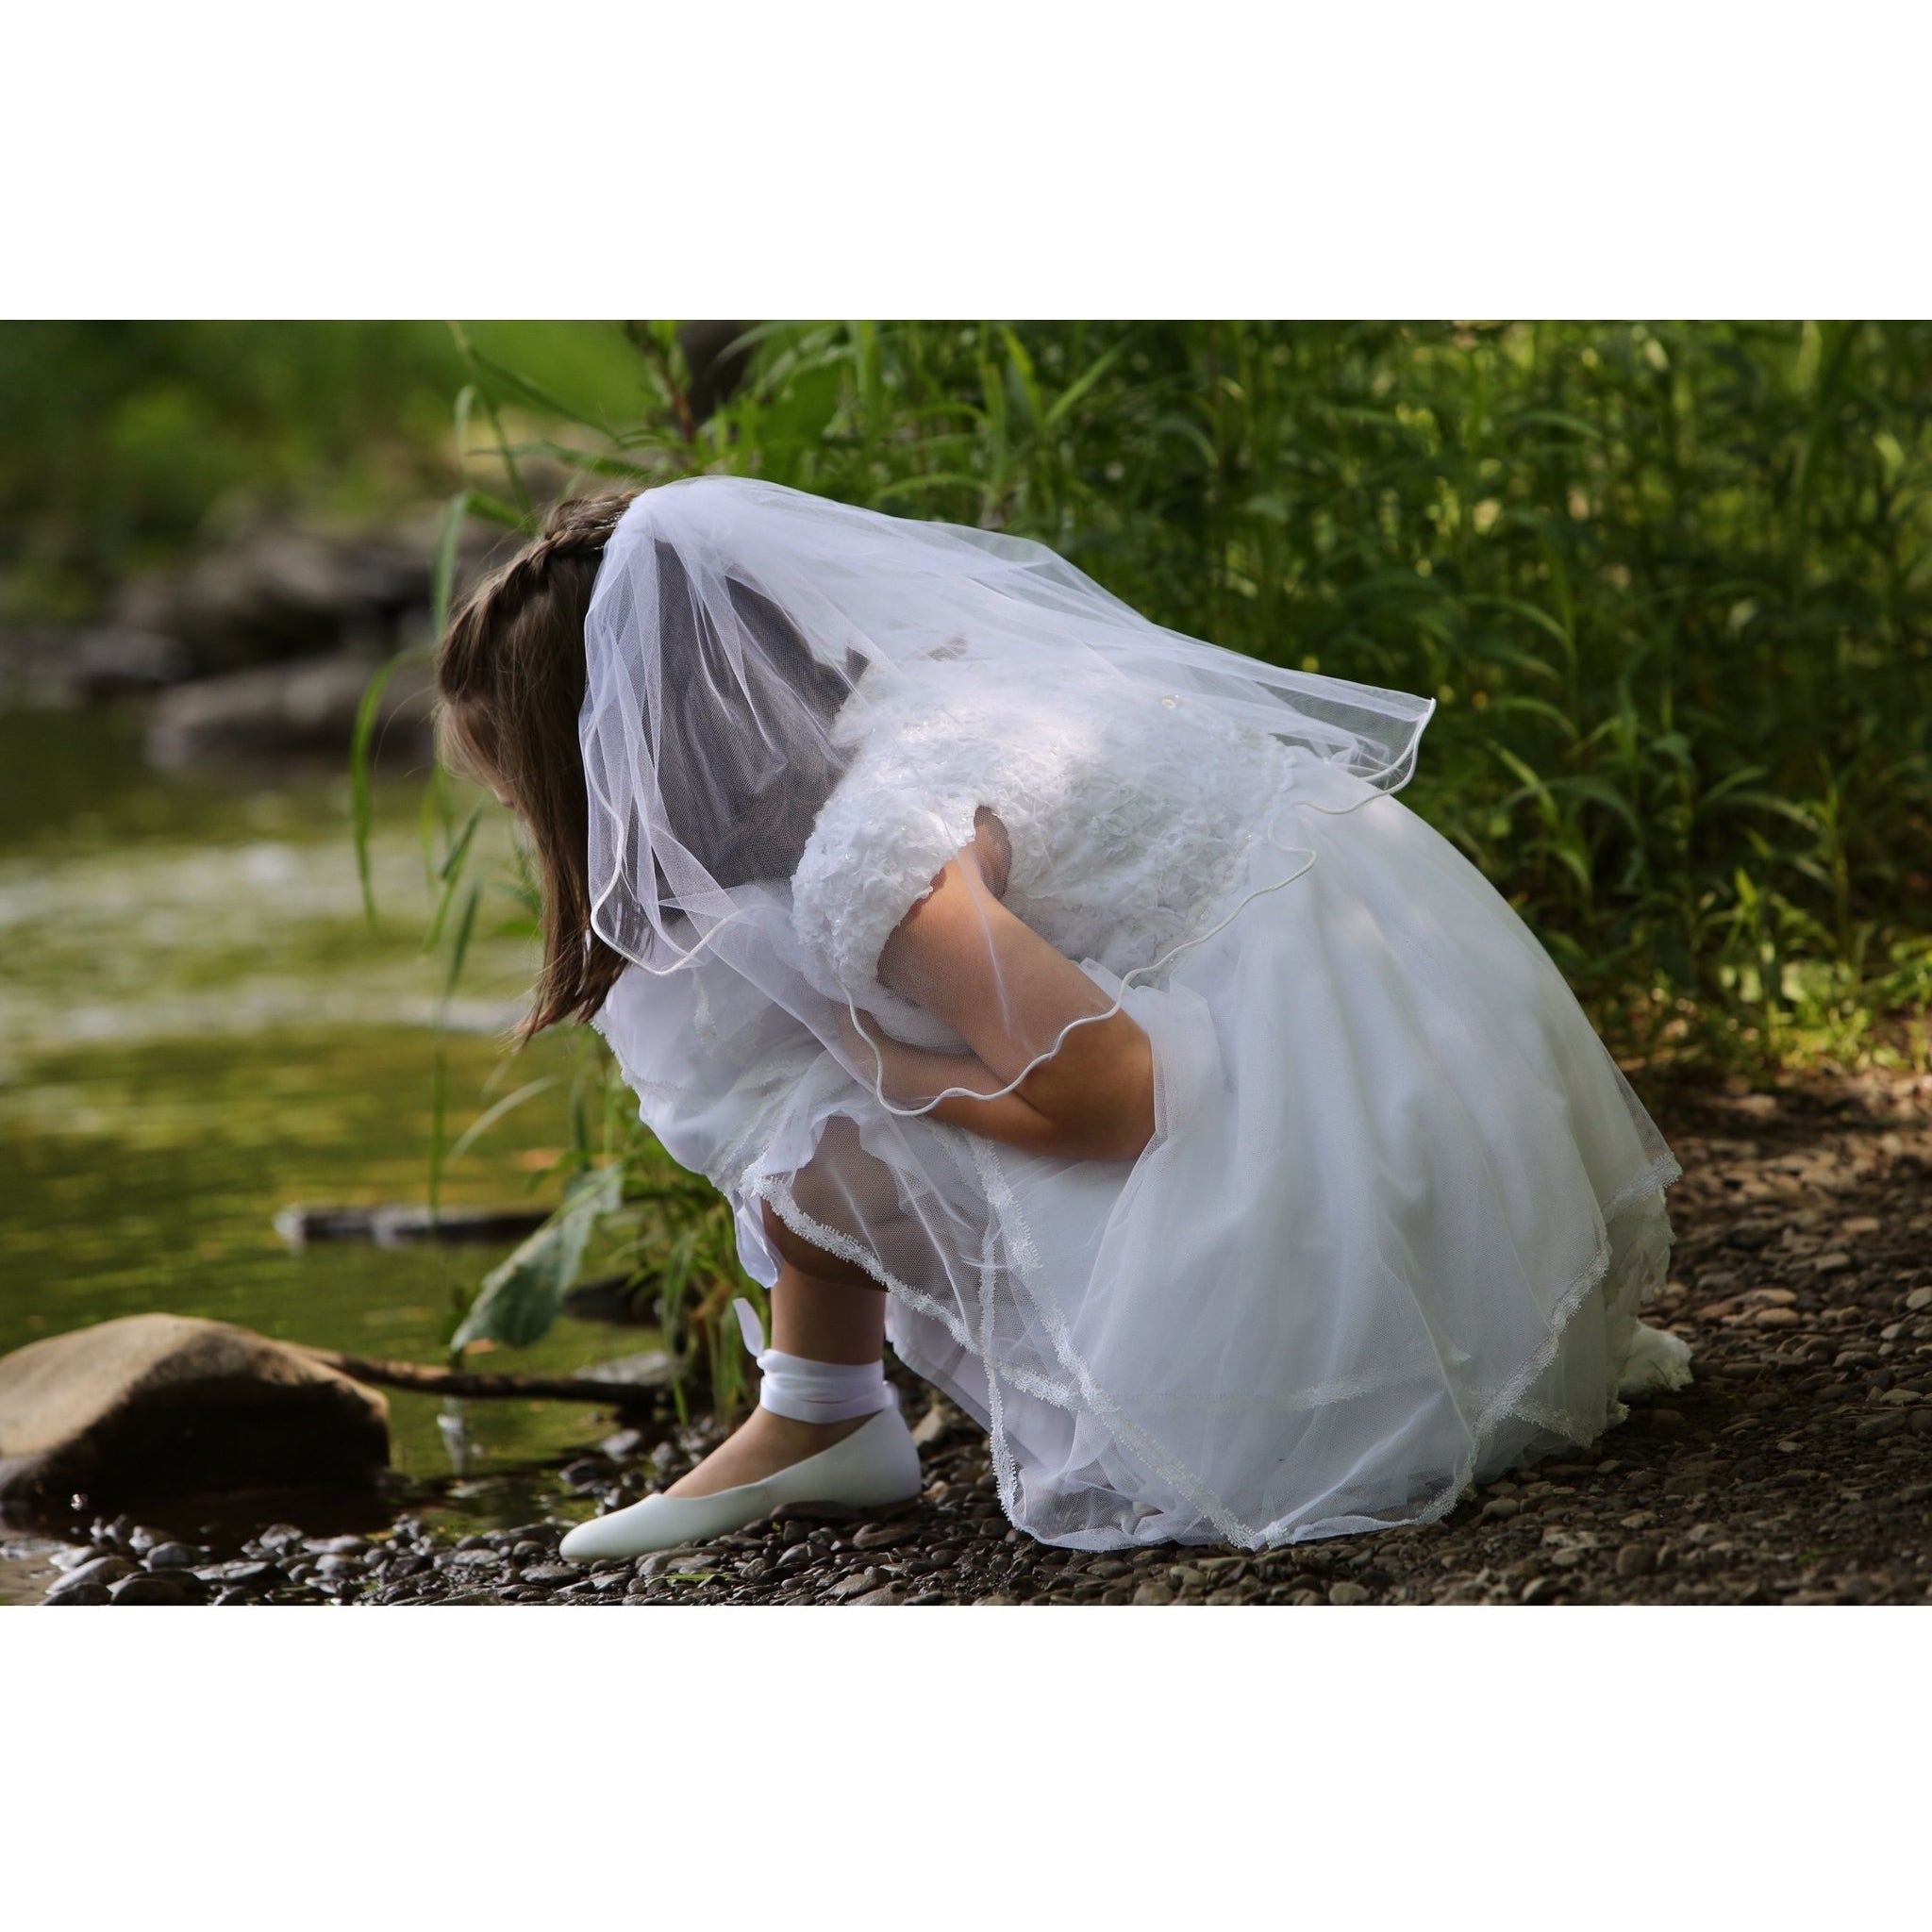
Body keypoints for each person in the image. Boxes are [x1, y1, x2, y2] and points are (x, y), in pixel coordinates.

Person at [435, 474, 1690, 1559]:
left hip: (1355, 1172)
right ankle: (815, 1413)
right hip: (1441, 1078)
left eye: (529, 794)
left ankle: (821, 1414)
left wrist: (891, 1068)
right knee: (845, 1073)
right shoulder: (915, 709)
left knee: (815, 1124)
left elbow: (1119, 1095)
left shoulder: (879, 866)